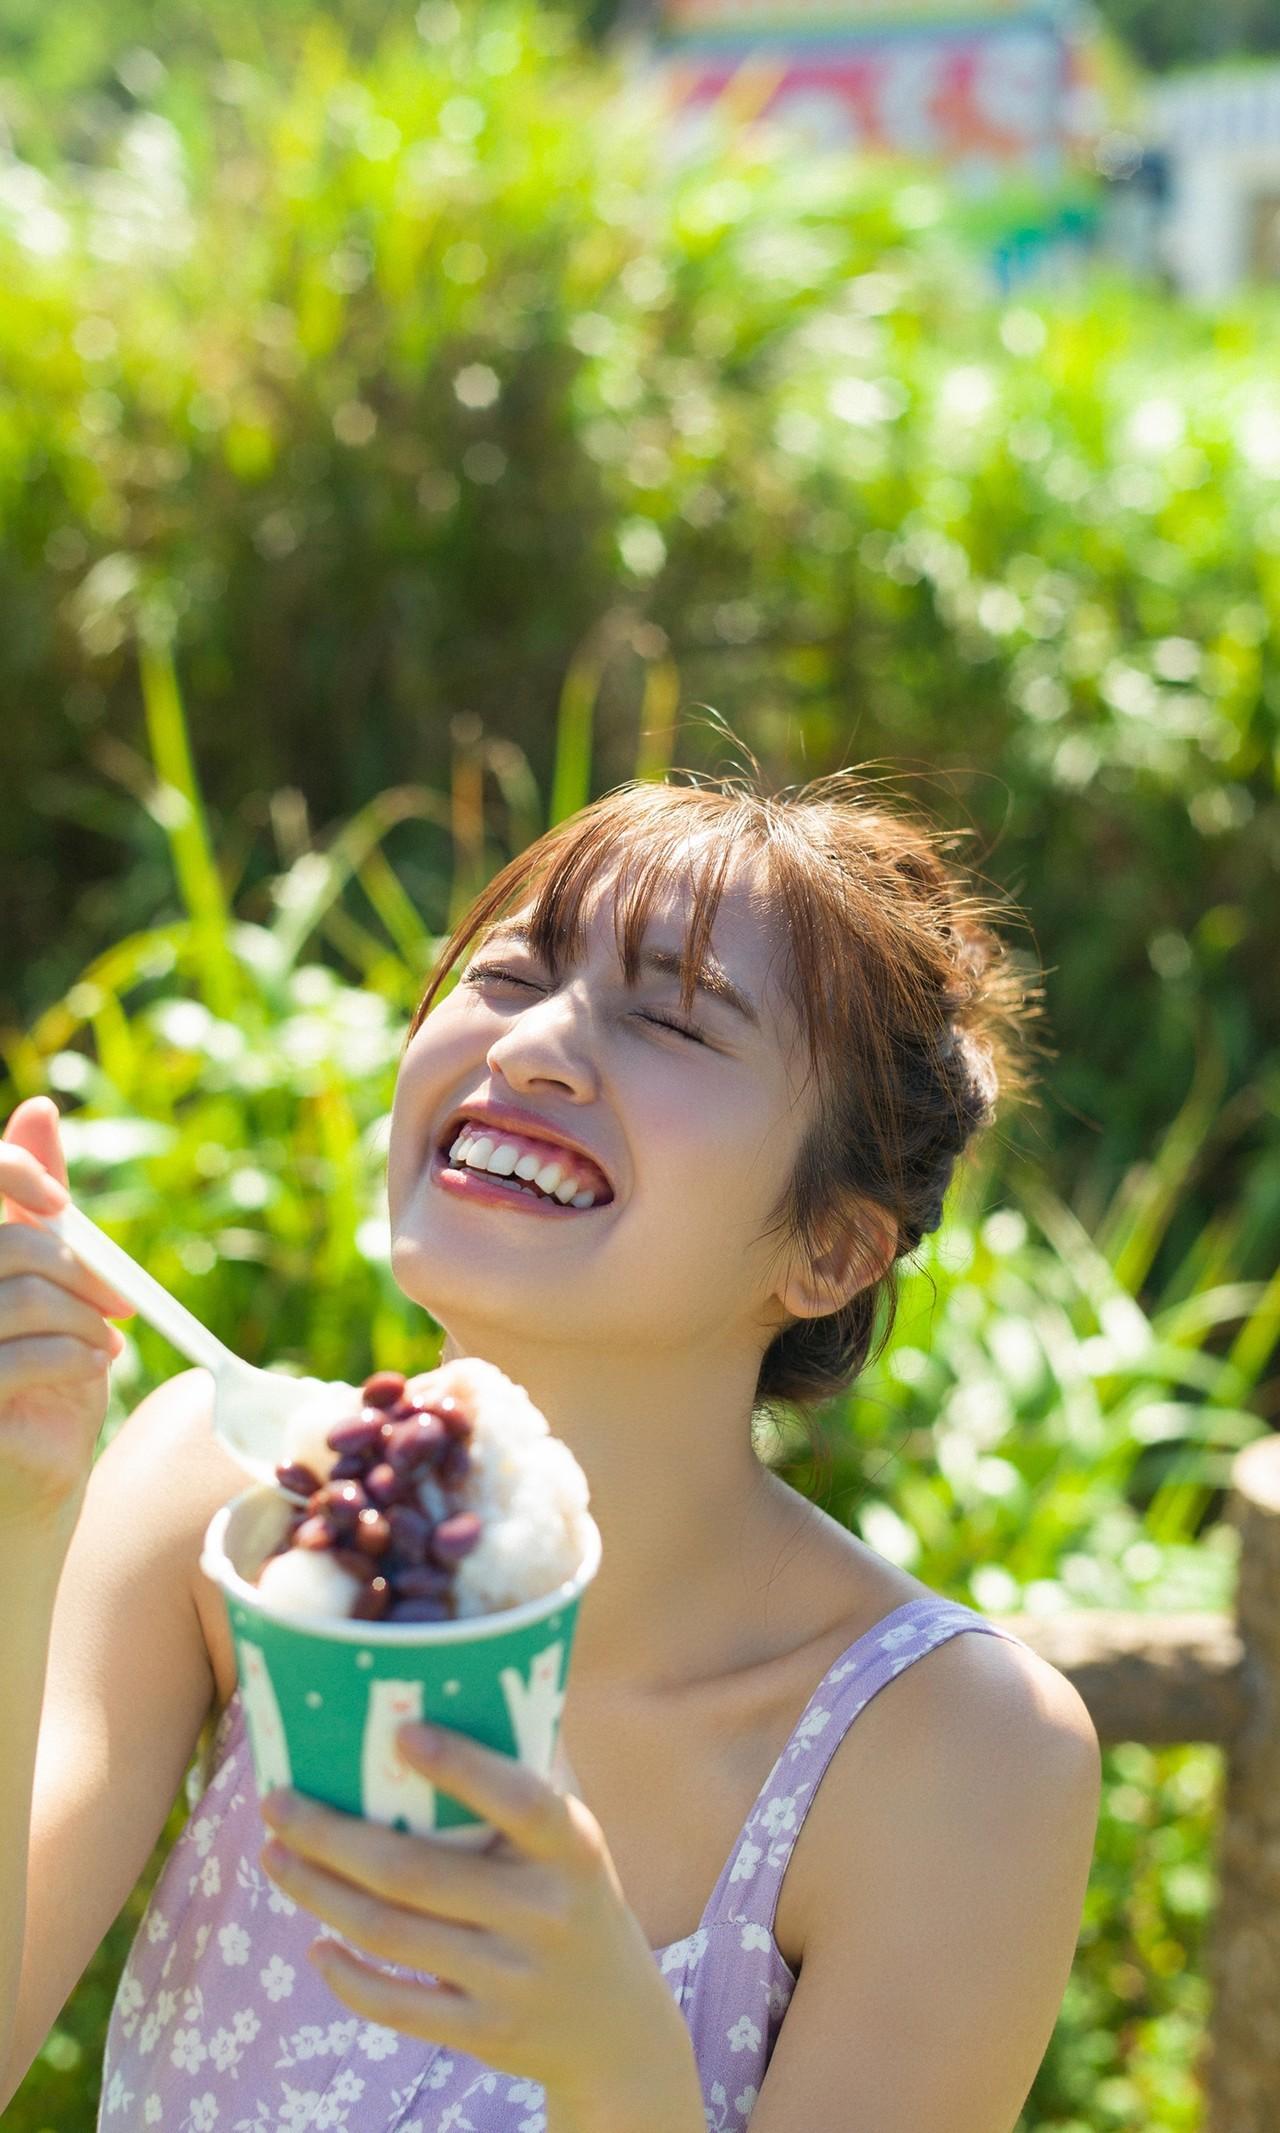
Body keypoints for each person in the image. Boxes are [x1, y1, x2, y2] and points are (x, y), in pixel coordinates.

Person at [0, 766, 1101, 2133]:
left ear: (832, 1245)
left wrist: (611, 2061)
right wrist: (23, 1508)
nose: (534, 1045)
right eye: (513, 973)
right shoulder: (219, 1505)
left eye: (675, 1021)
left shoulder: (953, 1754)